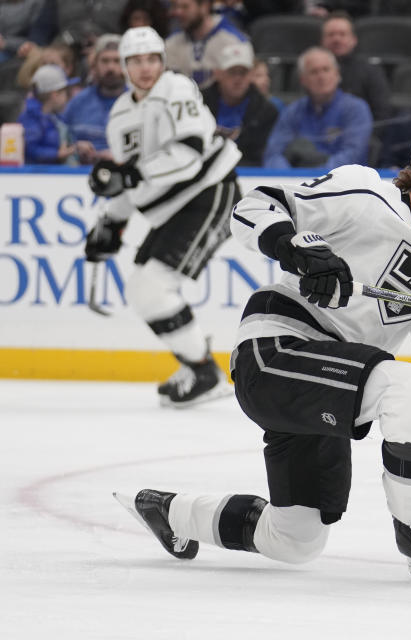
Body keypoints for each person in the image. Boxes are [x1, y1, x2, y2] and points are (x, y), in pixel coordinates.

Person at [113, 125, 411, 585]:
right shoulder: (365, 194)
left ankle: (168, 512)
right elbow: (253, 207)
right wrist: (297, 248)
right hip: (275, 351)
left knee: (296, 538)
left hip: (333, 382)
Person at [83, 26, 243, 406]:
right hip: (173, 206)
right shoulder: (120, 115)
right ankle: (198, 365)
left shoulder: (177, 88)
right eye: (136, 61)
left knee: (154, 286)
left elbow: (188, 153)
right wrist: (111, 221)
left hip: (211, 191)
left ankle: (205, 374)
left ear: (162, 61)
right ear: (124, 66)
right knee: (142, 288)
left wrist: (126, 176)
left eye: (152, 58)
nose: (146, 68)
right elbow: (136, 179)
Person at [262, 47, 372, 170]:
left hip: (343, 184)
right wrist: (288, 176)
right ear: (303, 80)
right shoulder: (292, 112)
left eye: (326, 69)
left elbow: (353, 156)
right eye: (314, 72)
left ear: (337, 74)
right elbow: (274, 154)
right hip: (298, 183)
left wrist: (315, 176)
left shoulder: (356, 109)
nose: (321, 76)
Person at [200, 41, 278, 166]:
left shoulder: (267, 111)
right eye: (232, 72)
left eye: (243, 72)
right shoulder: (199, 103)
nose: (238, 79)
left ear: (251, 74)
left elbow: (260, 155)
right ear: (218, 73)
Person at [61, 34, 125, 164]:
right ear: (94, 65)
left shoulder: (140, 103)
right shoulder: (77, 103)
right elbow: (60, 143)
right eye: (105, 61)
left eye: (117, 61)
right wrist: (76, 148)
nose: (110, 68)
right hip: (80, 175)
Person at [320, 10, 392, 122]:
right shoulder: (311, 72)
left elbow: (382, 115)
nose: (336, 39)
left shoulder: (371, 72)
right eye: (331, 34)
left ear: (353, 40)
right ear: (322, 41)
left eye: (342, 34)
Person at [164, 0, 248, 89]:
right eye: (175, 7)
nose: (178, 12)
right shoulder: (171, 43)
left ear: (205, 6)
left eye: (185, 7)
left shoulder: (234, 41)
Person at [18, 63, 79, 164]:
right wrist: (56, 154)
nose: (68, 97)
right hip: (36, 175)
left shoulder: (55, 116)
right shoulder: (32, 117)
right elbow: (29, 148)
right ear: (55, 95)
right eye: (65, 92)